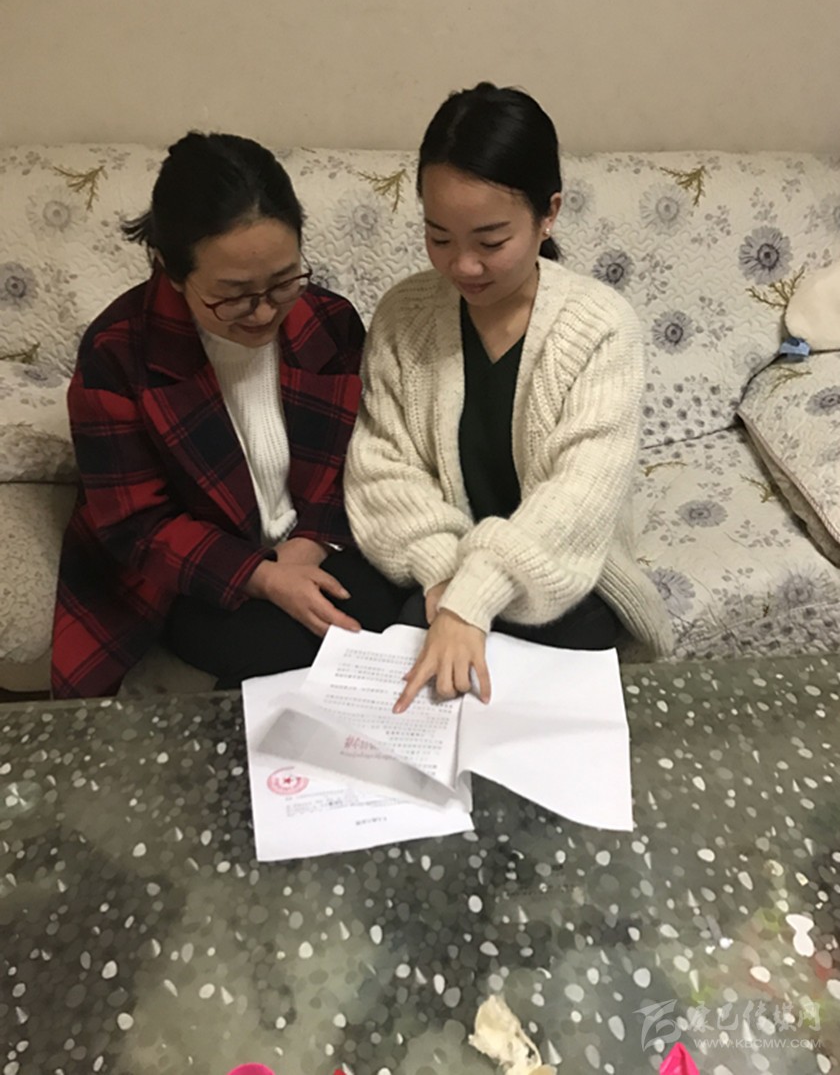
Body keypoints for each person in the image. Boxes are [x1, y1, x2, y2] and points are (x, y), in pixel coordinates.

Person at [344, 83, 673, 712]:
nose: (463, 266)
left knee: (493, 693)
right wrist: (446, 577)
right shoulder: (404, 316)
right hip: (442, 562)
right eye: (439, 237)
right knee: (386, 663)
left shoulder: (601, 326)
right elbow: (383, 467)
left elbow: (577, 498)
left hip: (564, 572)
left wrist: (473, 599)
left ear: (548, 215)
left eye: (491, 242)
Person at [52, 131, 403, 699]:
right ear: (170, 269)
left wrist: (308, 546)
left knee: (398, 611)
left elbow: (363, 452)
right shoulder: (118, 354)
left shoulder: (326, 321)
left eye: (283, 282)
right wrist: (263, 576)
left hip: (318, 543)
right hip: (198, 575)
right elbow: (136, 525)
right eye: (233, 294)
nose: (263, 312)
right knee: (283, 648)